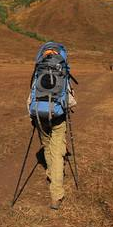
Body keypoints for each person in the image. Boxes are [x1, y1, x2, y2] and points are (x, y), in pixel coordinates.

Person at [27, 81, 76, 210]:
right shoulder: (62, 75)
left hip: (39, 116)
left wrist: (32, 117)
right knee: (58, 154)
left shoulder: (38, 73)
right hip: (58, 118)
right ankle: (56, 195)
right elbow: (71, 101)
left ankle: (51, 175)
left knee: (47, 148)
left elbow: (30, 98)